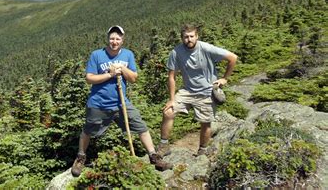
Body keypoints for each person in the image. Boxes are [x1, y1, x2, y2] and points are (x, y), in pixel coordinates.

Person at [71, 25, 171, 177]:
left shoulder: (128, 55)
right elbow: (89, 78)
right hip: (98, 104)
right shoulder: (97, 55)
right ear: (108, 39)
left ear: (122, 40)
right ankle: (80, 157)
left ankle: (153, 156)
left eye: (118, 38)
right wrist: (110, 75)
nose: (114, 41)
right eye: (112, 38)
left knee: (141, 126)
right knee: (87, 131)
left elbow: (134, 78)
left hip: (121, 103)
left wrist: (122, 69)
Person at [157, 24, 238, 157]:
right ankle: (164, 145)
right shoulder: (176, 52)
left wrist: (225, 79)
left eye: (191, 36)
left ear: (197, 36)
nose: (189, 39)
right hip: (187, 91)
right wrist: (171, 99)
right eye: (186, 37)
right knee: (168, 112)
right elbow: (172, 77)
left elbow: (232, 58)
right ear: (182, 38)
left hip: (206, 91)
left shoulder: (206, 48)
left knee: (205, 122)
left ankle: (202, 150)